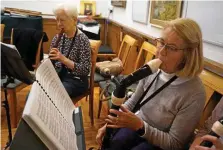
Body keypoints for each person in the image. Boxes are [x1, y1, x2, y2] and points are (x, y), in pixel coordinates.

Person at [96, 18, 206, 150]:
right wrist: (109, 125)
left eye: (171, 48)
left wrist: (140, 126)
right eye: (161, 42)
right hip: (140, 124)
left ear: (188, 55)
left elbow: (174, 143)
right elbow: (132, 102)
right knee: (115, 143)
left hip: (161, 141)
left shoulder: (195, 92)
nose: (161, 52)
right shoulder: (152, 70)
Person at [49, 3, 91, 99]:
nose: (59, 24)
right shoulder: (57, 38)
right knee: (37, 91)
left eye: (62, 20)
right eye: (57, 20)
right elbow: (52, 63)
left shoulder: (83, 40)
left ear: (74, 20)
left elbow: (85, 70)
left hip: (76, 80)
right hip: (59, 76)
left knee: (55, 95)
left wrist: (63, 59)